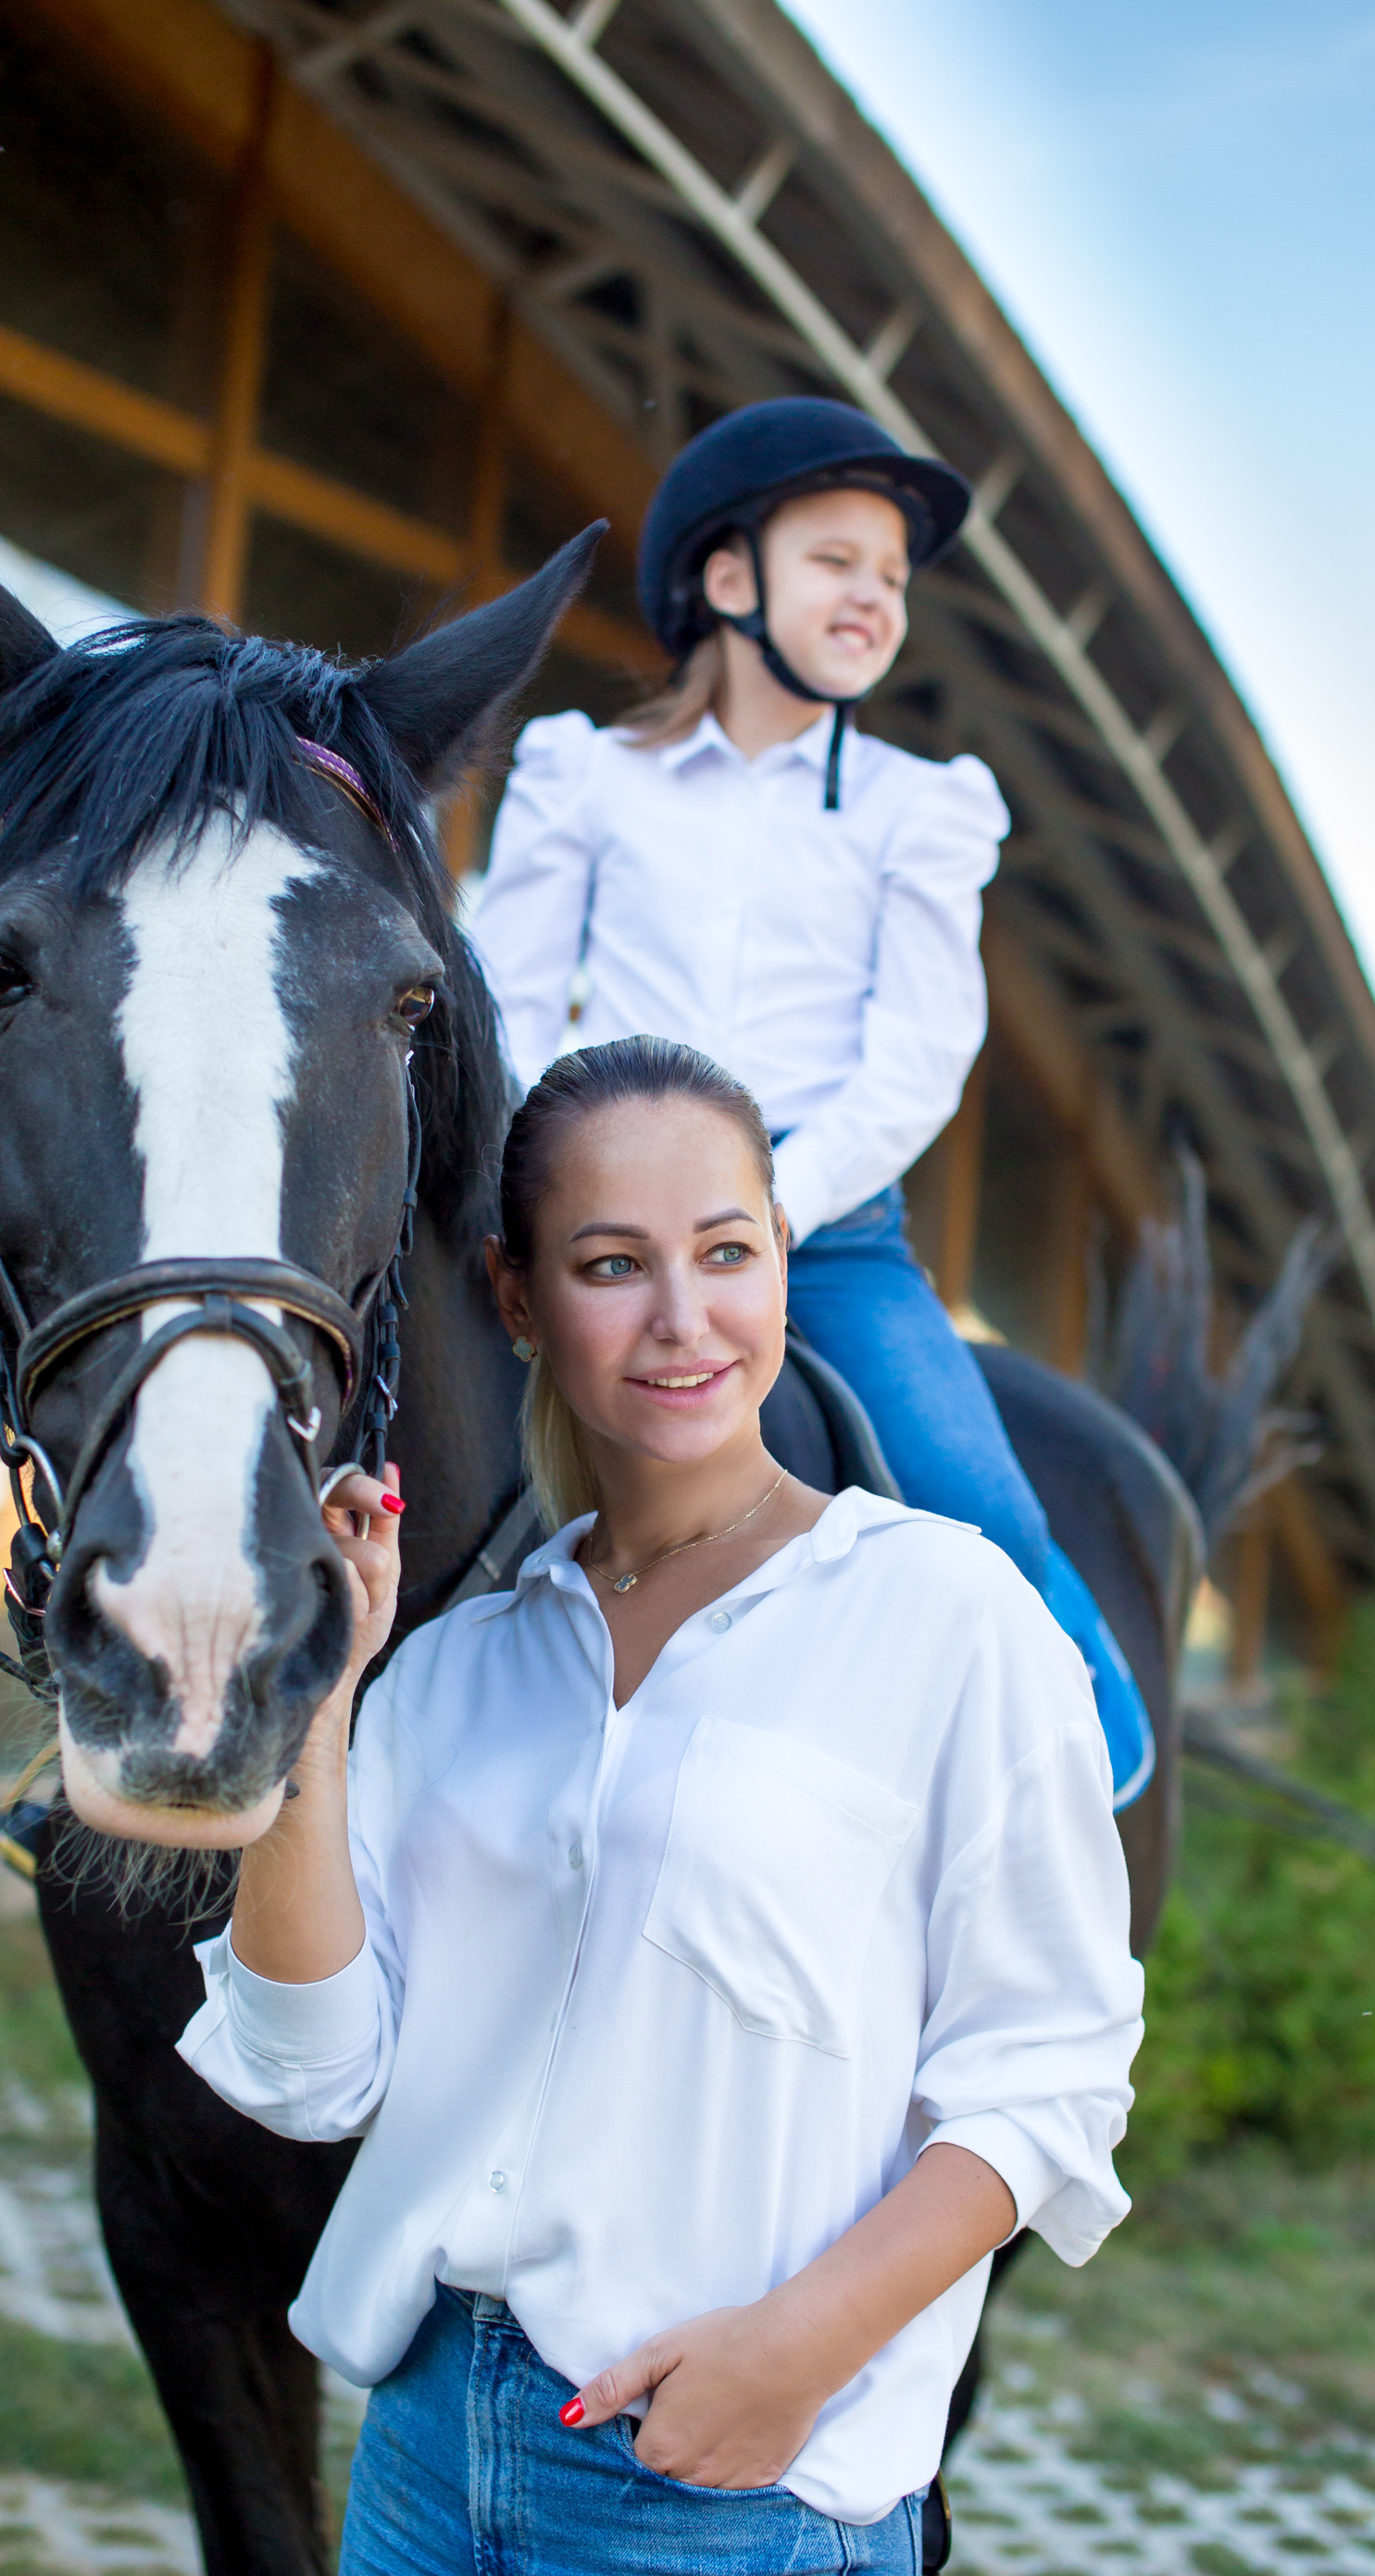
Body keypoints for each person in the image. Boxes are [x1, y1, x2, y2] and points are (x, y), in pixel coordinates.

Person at [179, 1038, 1143, 2576]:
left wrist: (799, 2352)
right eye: (614, 1264)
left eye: (728, 1250)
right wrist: (315, 1699)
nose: (684, 1318)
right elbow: (310, 2067)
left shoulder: (947, 1617)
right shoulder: (460, 1671)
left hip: (746, 2523)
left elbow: (1050, 2074)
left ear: (783, 1255)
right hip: (426, 2488)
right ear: (520, 1296)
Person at [467, 396, 1153, 1807]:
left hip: (820, 1223)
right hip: (587, 1196)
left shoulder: (924, 804)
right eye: (838, 560)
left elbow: (920, 1053)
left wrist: (770, 1209)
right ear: (731, 581)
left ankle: (1093, 1773)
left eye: (893, 578)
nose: (875, 597)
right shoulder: (584, 774)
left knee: (980, 1500)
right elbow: (510, 995)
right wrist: (557, 1183)